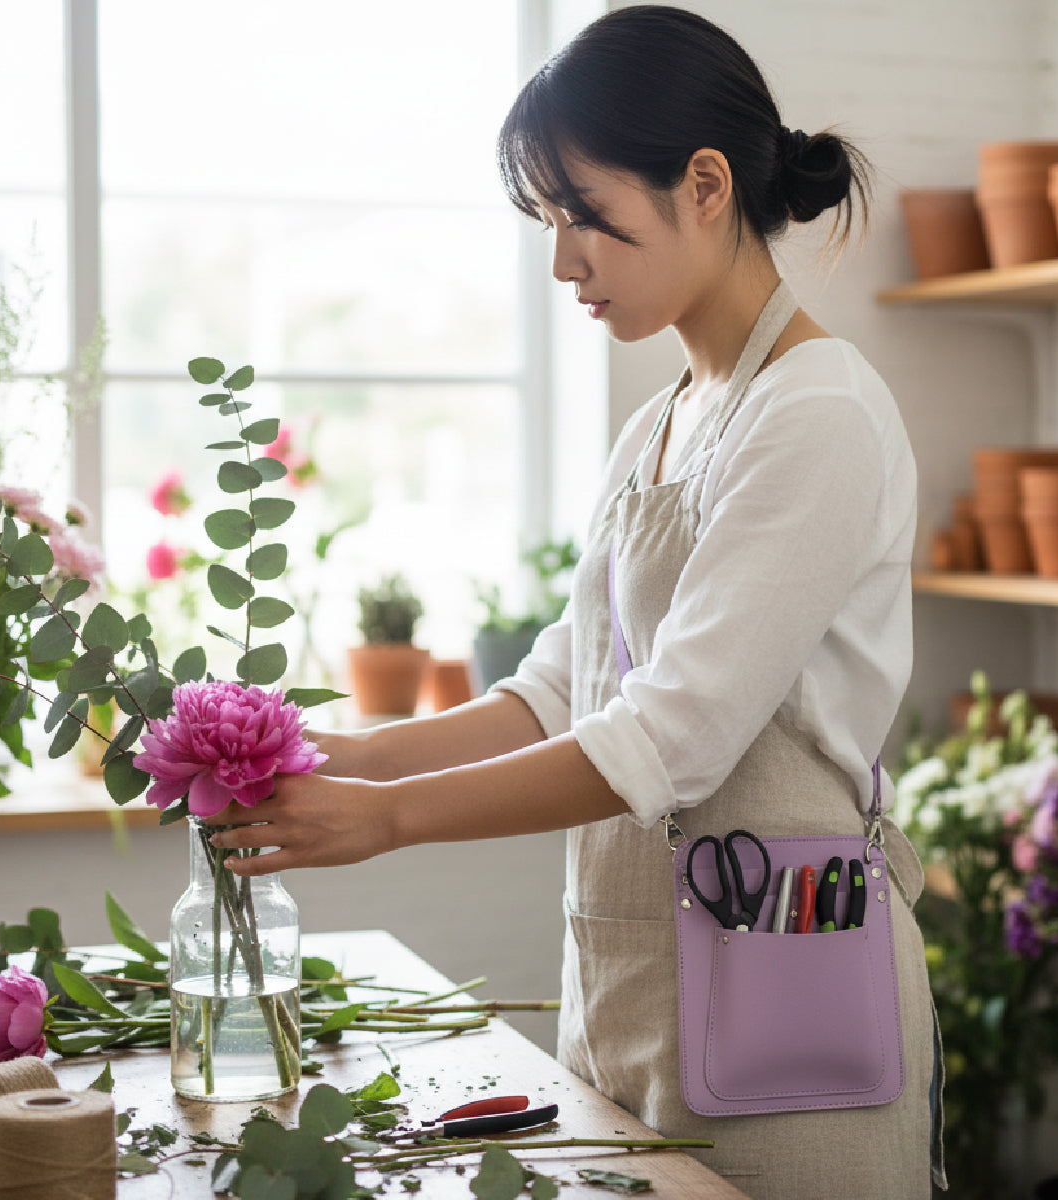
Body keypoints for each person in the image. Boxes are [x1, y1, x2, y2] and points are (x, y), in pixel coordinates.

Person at [210, 6, 942, 1197]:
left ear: (704, 184)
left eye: (585, 215)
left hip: (788, 1020)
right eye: (549, 223)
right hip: (633, 994)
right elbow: (560, 688)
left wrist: (389, 820)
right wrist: (355, 756)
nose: (563, 261)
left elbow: (672, 736)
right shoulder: (661, 421)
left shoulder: (818, 414)